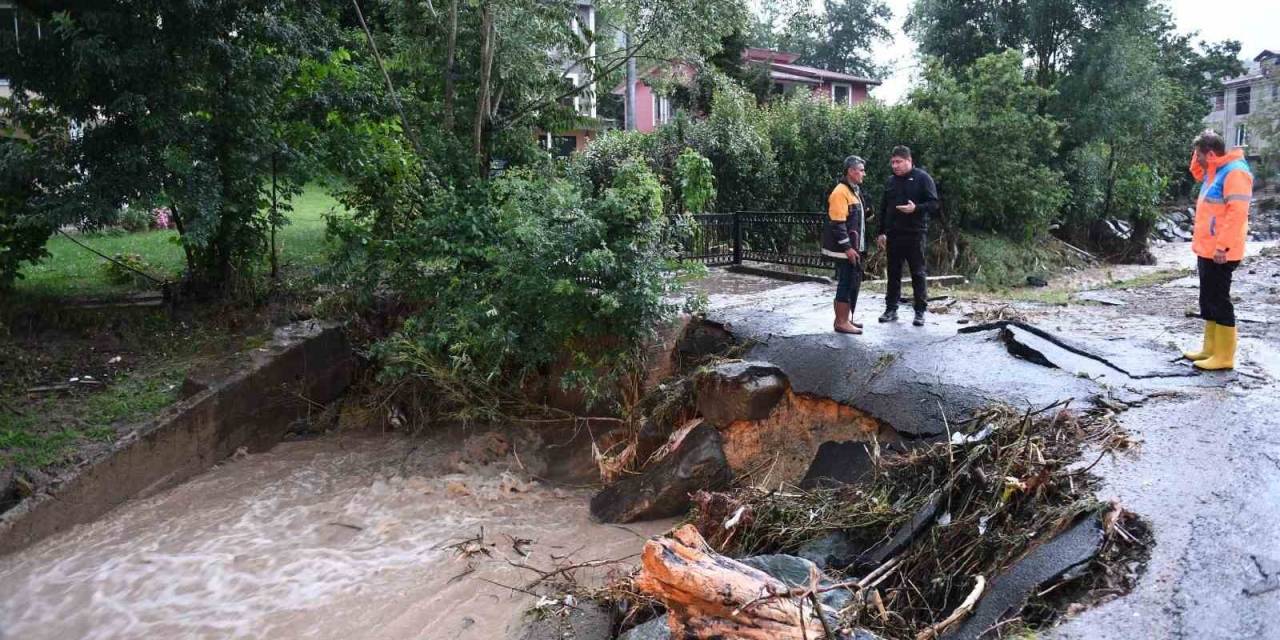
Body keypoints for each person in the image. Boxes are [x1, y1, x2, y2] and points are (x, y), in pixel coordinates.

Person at [1181, 130, 1252, 371]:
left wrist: (1224, 246)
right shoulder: (1215, 170)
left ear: (1210, 154)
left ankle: (1224, 356)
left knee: (1219, 300)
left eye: (1199, 154)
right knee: (1208, 298)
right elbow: (1196, 170)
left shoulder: (1235, 172)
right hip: (1208, 248)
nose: (1197, 159)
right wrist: (1199, 145)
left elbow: (1236, 215)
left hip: (1222, 250)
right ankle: (1209, 349)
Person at [876, 146, 939, 326]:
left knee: (917, 273)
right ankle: (891, 309)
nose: (895, 166)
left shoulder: (923, 178)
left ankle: (920, 311)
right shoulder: (890, 181)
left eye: (899, 162)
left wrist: (916, 209)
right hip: (893, 235)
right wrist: (881, 232)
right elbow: (884, 208)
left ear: (909, 161)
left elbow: (934, 203)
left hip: (915, 234)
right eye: (893, 162)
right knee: (893, 273)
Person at [822, 155, 867, 334]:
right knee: (846, 282)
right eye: (861, 170)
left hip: (852, 247)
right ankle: (841, 322)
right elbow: (838, 223)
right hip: (844, 249)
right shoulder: (840, 192)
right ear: (851, 171)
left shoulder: (852, 190)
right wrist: (848, 248)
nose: (864, 174)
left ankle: (843, 319)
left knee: (849, 282)